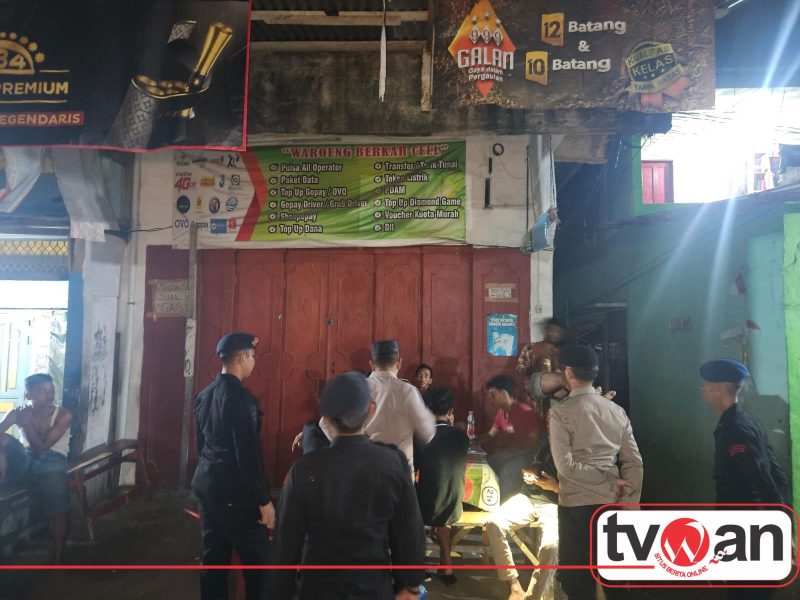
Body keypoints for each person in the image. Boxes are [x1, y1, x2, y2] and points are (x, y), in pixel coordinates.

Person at [275, 371, 426, 600]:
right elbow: (409, 532)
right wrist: (410, 584)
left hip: (317, 590)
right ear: (371, 411)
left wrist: (280, 591)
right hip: (373, 589)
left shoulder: (305, 470)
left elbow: (285, 544)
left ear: (326, 417)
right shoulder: (392, 464)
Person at [549, 345, 643, 600]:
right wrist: (629, 502)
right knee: (616, 583)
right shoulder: (616, 411)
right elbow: (634, 462)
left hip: (577, 510)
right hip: (614, 507)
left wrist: (608, 484)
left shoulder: (560, 412)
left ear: (569, 373)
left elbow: (566, 466)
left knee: (578, 585)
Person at [191, 332, 275, 600]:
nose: (254, 362)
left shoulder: (204, 395)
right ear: (241, 359)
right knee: (258, 562)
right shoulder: (242, 400)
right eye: (252, 357)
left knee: (214, 558)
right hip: (234, 493)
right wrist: (264, 500)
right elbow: (247, 457)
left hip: (207, 485)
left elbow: (201, 445)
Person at [700, 359, 790, 600]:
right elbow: (778, 475)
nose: (702, 388)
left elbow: (762, 478)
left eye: (707, 384)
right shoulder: (745, 421)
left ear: (720, 388)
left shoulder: (736, 428)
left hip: (748, 531)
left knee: (746, 593)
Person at [0, 373, 72, 564]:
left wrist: (25, 424)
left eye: (51, 390)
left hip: (52, 460)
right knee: (3, 440)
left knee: (60, 508)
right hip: (25, 458)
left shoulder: (63, 415)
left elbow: (41, 448)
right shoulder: (17, 412)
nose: (48, 395)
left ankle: (57, 560)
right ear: (28, 395)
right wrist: (2, 453)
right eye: (41, 391)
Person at [415, 387, 469, 585]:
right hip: (454, 505)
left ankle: (417, 564)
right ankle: (447, 564)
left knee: (412, 500)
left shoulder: (421, 437)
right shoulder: (462, 438)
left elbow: (414, 469)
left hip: (427, 508)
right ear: (450, 411)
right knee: (442, 500)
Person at [366, 339, 435, 478]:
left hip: (367, 469)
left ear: (371, 364)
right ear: (399, 363)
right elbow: (428, 433)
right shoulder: (407, 391)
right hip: (400, 472)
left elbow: (326, 423)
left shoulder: (359, 389)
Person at [476, 374, 545, 503]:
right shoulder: (501, 413)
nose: (490, 399)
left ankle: (507, 504)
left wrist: (511, 454)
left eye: (493, 395)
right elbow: (490, 435)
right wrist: (471, 441)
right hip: (516, 454)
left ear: (503, 393)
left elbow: (534, 445)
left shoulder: (525, 411)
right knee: (489, 461)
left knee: (507, 472)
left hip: (533, 456)